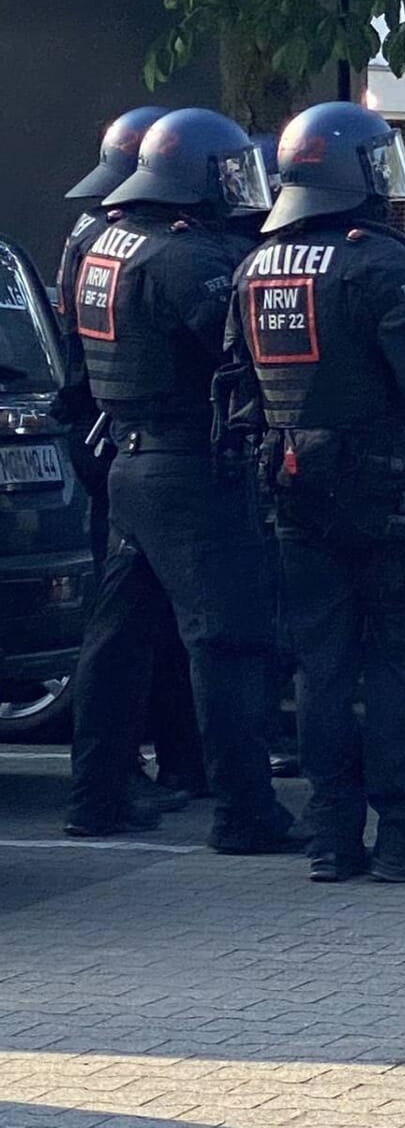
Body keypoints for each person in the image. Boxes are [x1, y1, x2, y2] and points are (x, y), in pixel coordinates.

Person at [230, 101, 405, 884]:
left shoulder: (255, 264)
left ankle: (331, 840)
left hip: (291, 486)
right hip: (378, 487)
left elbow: (234, 383)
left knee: (322, 667)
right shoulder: (376, 260)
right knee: (401, 663)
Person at [62, 108, 297, 851]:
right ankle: (245, 813)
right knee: (226, 640)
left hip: (127, 460)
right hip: (190, 465)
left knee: (119, 637)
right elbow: (241, 352)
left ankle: (95, 796)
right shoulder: (187, 260)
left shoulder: (103, 241)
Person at [53, 105, 207, 813]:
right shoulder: (142, 242)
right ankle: (131, 774)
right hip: (139, 436)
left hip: (111, 435)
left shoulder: (93, 235)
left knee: (133, 619)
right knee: (139, 625)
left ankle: (165, 763)